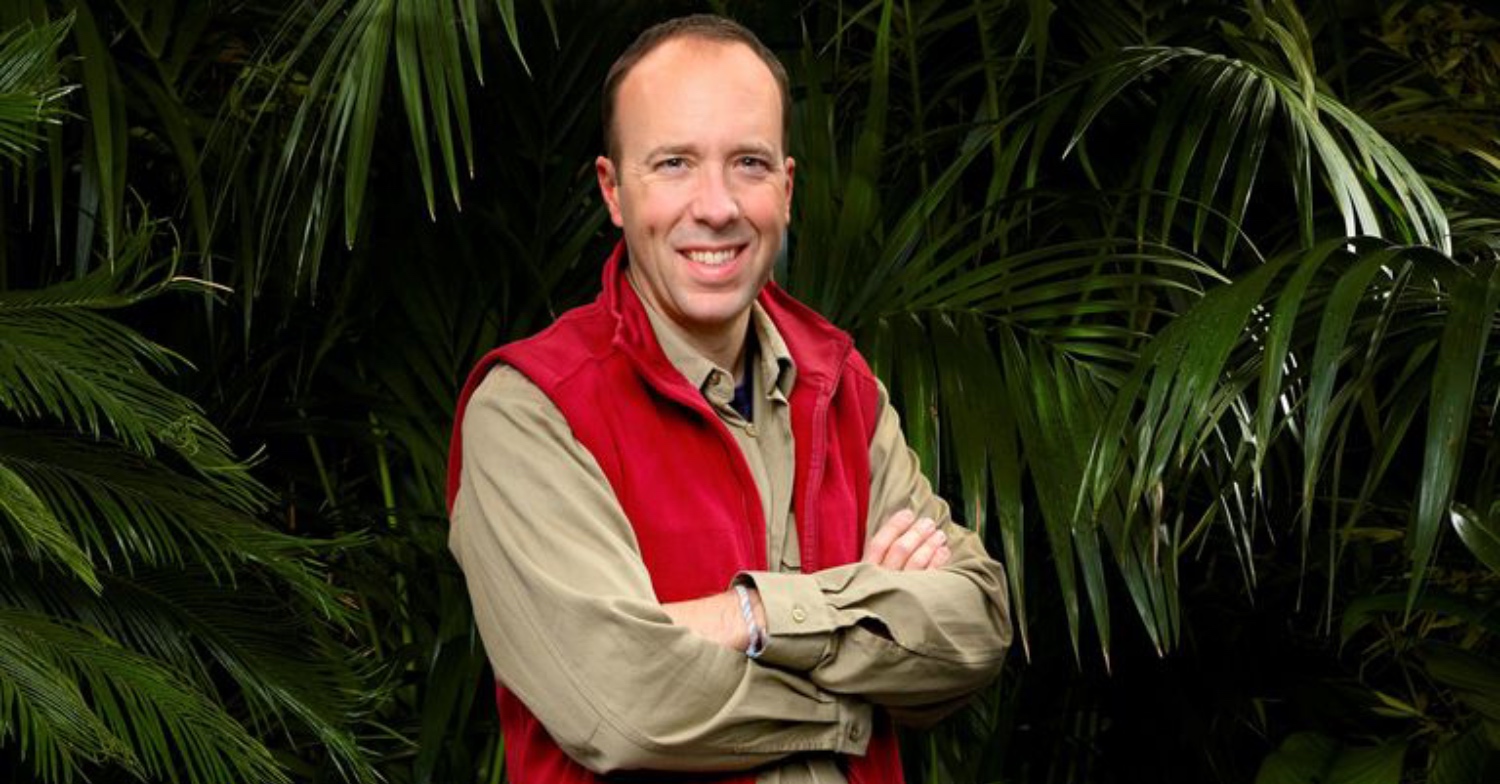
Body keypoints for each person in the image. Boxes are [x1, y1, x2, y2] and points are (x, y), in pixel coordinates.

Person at [446, 14, 1013, 784]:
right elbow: (623, 705)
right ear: (614, 190)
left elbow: (975, 622)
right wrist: (861, 673)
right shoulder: (533, 409)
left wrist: (751, 619)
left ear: (786, 186)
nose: (715, 206)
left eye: (747, 163)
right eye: (674, 163)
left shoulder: (842, 386)